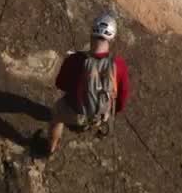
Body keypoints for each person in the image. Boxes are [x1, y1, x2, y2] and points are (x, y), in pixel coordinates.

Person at [47, 12, 131, 155]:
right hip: (100, 114)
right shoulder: (119, 65)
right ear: (112, 39)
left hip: (74, 111)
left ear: (91, 33)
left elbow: (60, 84)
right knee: (93, 116)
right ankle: (88, 124)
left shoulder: (75, 59)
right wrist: (110, 113)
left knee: (56, 116)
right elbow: (122, 98)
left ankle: (51, 147)